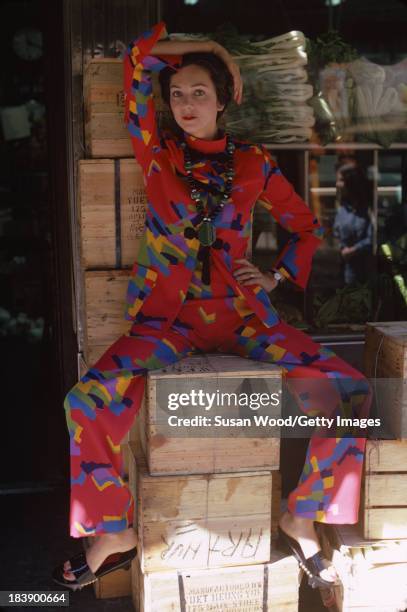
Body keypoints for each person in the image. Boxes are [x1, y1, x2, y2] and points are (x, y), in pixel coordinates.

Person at [53, 21, 372, 591]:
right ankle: (113, 532)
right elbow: (137, 60)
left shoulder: (254, 164)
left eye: (200, 92)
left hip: (245, 319)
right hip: (167, 321)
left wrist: (275, 276)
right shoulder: (156, 152)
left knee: (353, 393)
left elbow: (304, 227)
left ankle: (299, 516)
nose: (185, 103)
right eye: (178, 94)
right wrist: (215, 51)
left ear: (223, 101)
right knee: (85, 401)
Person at [333, 162, 373, 284]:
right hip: (344, 274)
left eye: (341, 180)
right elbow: (336, 235)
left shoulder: (368, 209)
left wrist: (354, 250)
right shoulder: (342, 210)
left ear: (351, 183)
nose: (337, 184)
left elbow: (374, 238)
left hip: (367, 273)